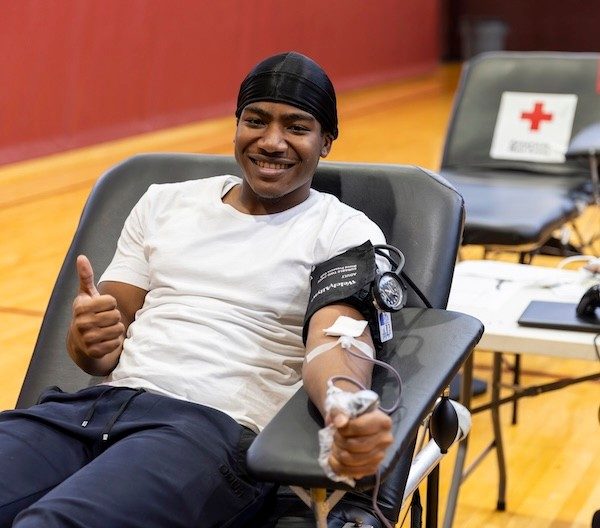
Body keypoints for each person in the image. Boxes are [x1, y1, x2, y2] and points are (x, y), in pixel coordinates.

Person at [0, 51, 393, 527]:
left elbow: (336, 342)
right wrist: (88, 338)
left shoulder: (345, 232)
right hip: (88, 412)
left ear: (326, 141)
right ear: (237, 126)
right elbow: (99, 351)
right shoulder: (164, 203)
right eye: (256, 120)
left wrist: (343, 403)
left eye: (296, 126)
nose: (272, 142)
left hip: (209, 434)